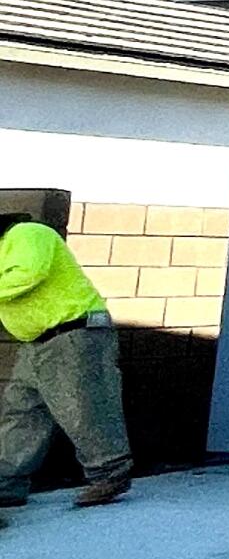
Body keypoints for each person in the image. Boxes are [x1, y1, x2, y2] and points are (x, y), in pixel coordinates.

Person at [0, 216, 132, 519]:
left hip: (73, 333)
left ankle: (110, 473)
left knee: (83, 405)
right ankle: (7, 484)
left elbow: (28, 273)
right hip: (39, 341)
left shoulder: (27, 233)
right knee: (21, 411)